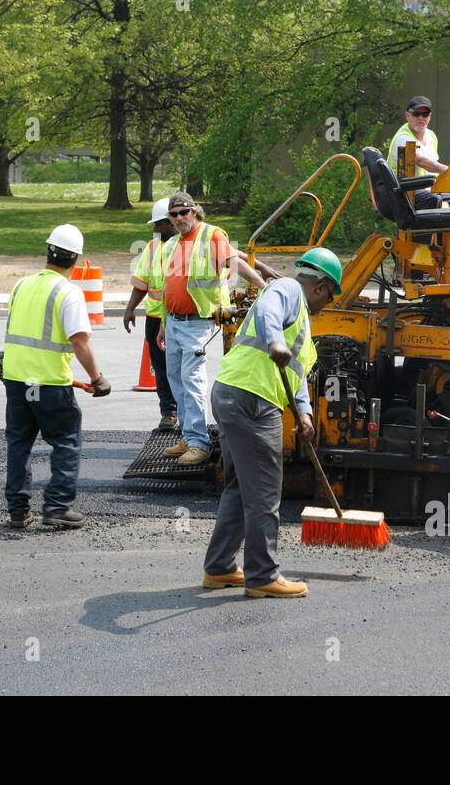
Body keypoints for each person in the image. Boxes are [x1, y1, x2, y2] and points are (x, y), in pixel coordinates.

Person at [201, 248, 342, 598]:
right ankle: (262, 575)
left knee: (239, 487)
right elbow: (267, 310)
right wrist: (276, 342)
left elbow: (297, 377)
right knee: (264, 490)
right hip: (252, 399)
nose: (327, 302)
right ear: (321, 287)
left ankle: (219, 568)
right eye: (330, 295)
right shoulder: (289, 291)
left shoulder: (303, 328)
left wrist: (305, 415)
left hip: (234, 394)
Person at [156, 192, 279, 466]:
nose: (178, 219)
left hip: (197, 321)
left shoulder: (211, 236)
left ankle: (199, 443)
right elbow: (168, 286)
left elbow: (234, 262)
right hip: (175, 322)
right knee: (177, 382)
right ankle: (189, 437)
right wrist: (164, 323)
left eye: (183, 212)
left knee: (192, 381)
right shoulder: (172, 244)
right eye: (173, 215)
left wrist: (262, 285)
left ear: (195, 212)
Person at [2, 224, 111, 531]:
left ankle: (17, 510)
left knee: (19, 443)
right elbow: (79, 341)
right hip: (49, 382)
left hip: (16, 379)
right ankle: (57, 506)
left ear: (47, 252)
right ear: (76, 260)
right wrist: (98, 378)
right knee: (66, 440)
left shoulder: (21, 285)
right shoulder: (68, 292)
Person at [123, 197, 177, 430]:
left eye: (159, 224)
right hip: (155, 319)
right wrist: (130, 308)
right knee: (161, 368)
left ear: (172, 221)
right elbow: (142, 282)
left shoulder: (188, 246)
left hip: (180, 318)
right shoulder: (153, 246)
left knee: (182, 370)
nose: (155, 229)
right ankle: (169, 414)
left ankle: (186, 416)